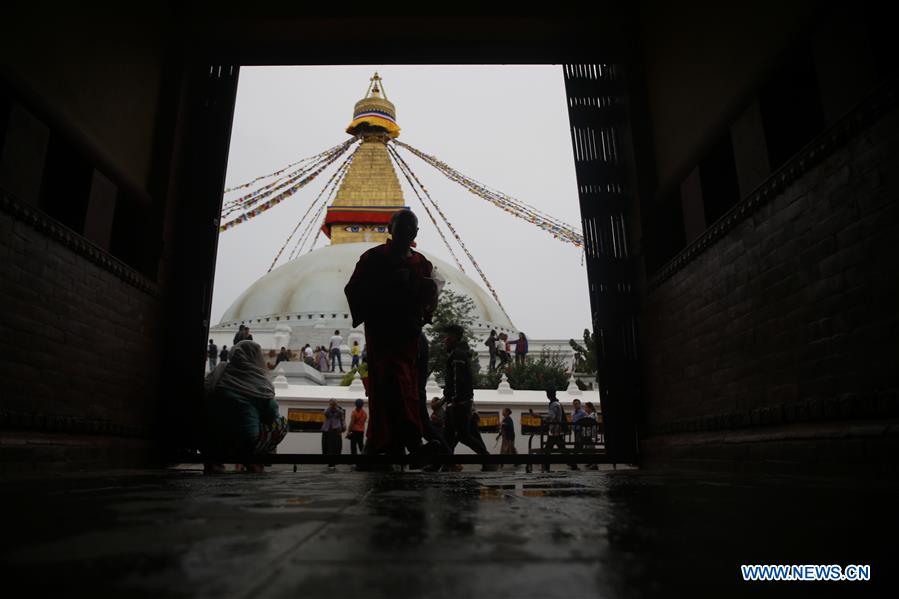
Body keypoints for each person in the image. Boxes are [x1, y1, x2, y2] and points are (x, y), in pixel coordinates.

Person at [344, 209, 439, 457]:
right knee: (388, 383)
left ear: (415, 232)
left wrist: (426, 296)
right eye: (401, 227)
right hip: (382, 333)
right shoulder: (373, 258)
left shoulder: (421, 263)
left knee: (408, 387)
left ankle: (403, 439)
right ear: (390, 229)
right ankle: (387, 440)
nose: (406, 232)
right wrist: (389, 285)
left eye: (411, 228)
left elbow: (428, 301)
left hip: (409, 335)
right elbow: (355, 290)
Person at [202, 340, 287, 474]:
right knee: (281, 423)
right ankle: (256, 461)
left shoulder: (220, 372)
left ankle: (214, 462)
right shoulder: (261, 382)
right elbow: (272, 414)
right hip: (244, 443)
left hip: (211, 439)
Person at [440, 323, 493, 470]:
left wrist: (455, 399)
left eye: (447, 336)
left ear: (454, 337)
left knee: (463, 436)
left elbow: (458, 379)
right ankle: (442, 464)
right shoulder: (457, 354)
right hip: (458, 402)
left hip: (459, 403)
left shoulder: (457, 355)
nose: (445, 339)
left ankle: (488, 459)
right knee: (448, 437)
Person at [542, 387, 567, 472]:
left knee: (548, 450)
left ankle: (546, 467)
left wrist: (539, 416)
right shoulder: (557, 403)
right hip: (558, 430)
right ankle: (573, 464)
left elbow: (551, 417)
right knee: (562, 449)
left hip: (554, 430)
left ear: (548, 395)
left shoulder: (553, 404)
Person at [321, 399, 345, 470]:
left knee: (335, 447)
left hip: (335, 431)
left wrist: (343, 428)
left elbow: (342, 419)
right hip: (327, 431)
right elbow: (325, 413)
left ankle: (333, 463)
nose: (333, 406)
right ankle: (330, 463)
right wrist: (331, 407)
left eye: (334, 404)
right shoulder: (328, 410)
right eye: (331, 404)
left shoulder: (339, 411)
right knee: (327, 447)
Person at [570, 398, 587, 470]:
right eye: (574, 404)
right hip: (575, 430)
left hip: (580, 430)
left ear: (579, 404)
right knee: (577, 445)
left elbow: (585, 420)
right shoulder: (573, 412)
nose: (575, 405)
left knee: (577, 446)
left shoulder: (583, 412)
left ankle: (574, 461)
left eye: (577, 404)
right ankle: (574, 462)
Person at [584, 401, 599, 470]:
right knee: (588, 449)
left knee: (592, 449)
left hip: (591, 434)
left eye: (586, 407)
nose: (585, 409)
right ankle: (590, 462)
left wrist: (594, 436)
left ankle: (594, 463)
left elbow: (593, 427)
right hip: (588, 434)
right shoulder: (589, 414)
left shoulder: (593, 415)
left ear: (590, 408)